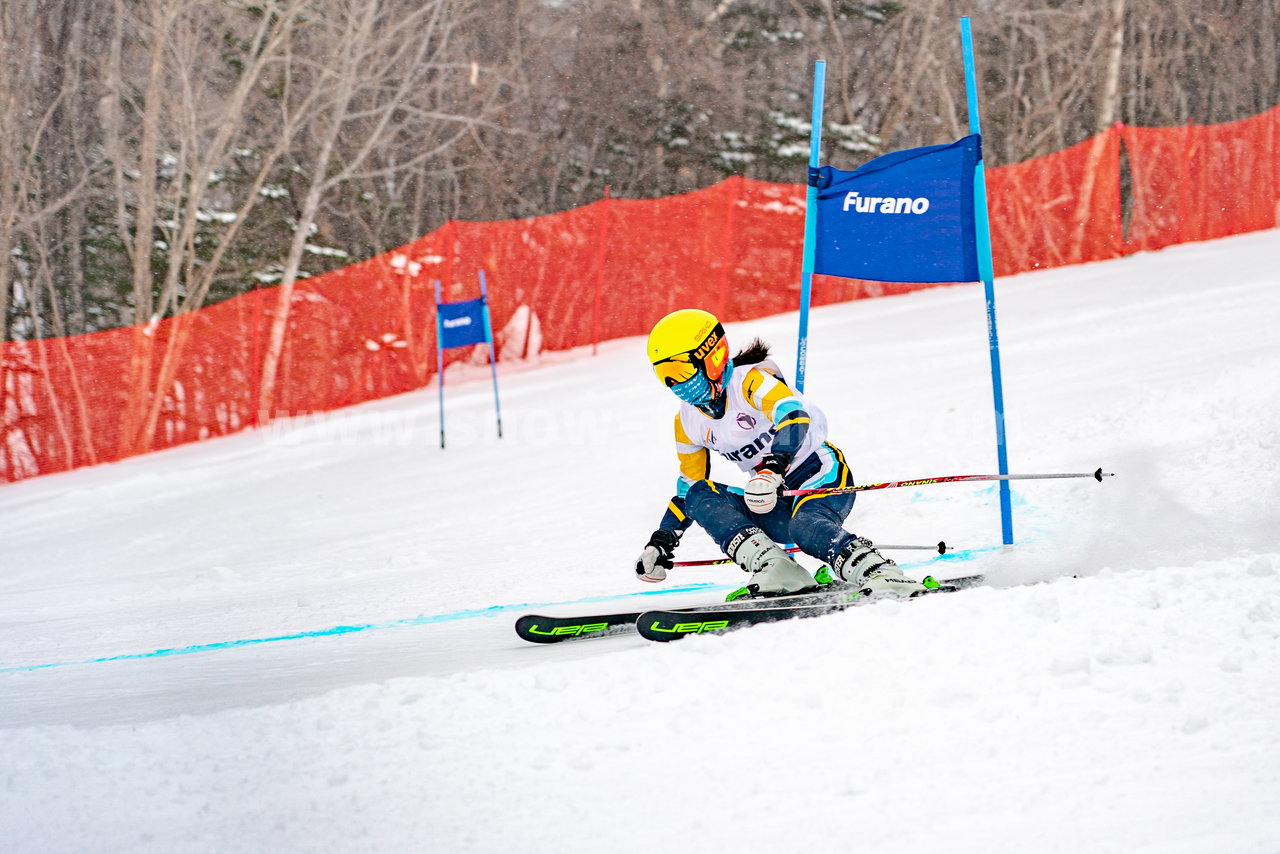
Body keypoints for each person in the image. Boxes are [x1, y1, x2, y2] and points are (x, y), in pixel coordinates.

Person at [634, 308, 928, 599]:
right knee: (701, 494)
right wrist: (662, 540)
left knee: (806, 526)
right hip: (769, 499)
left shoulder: (748, 381)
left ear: (711, 357)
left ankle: (879, 573)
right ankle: (777, 567)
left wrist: (772, 468)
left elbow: (794, 415)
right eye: (666, 376)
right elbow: (688, 491)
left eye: (681, 371)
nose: (677, 385)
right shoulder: (686, 422)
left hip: (820, 475)